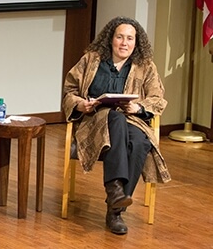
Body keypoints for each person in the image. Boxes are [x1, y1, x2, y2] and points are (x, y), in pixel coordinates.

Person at [62, 16, 170, 235]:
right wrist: (81, 104)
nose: (124, 43)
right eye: (119, 37)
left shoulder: (145, 67)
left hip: (132, 119)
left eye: (130, 38)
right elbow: (69, 90)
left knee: (140, 142)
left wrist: (138, 108)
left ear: (136, 42)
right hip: (95, 120)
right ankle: (115, 204)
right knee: (116, 118)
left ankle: (115, 206)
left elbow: (157, 98)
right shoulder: (91, 60)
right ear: (110, 39)